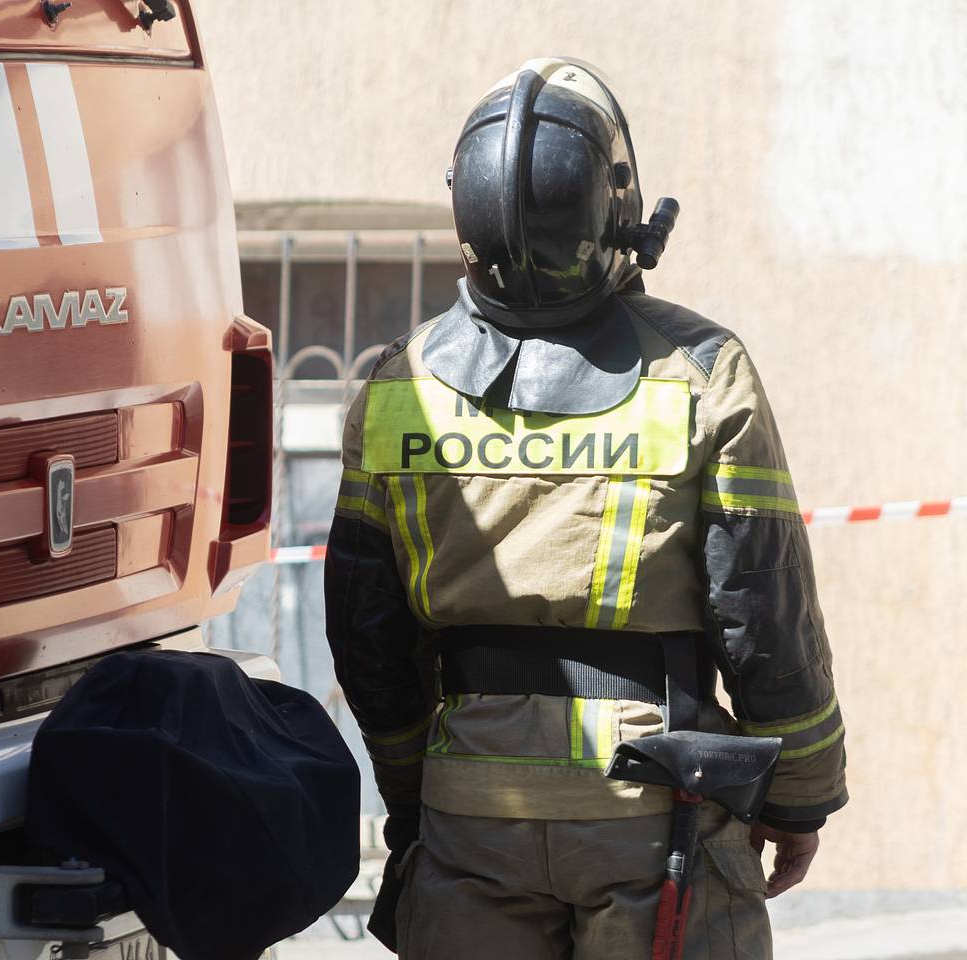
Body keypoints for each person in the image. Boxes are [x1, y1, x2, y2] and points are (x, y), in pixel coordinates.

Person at [324, 58, 846, 959]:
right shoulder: (700, 371)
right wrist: (799, 791)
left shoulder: (397, 383)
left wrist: (414, 791)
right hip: (655, 808)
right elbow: (763, 605)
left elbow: (365, 628)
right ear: (614, 209)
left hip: (471, 813)